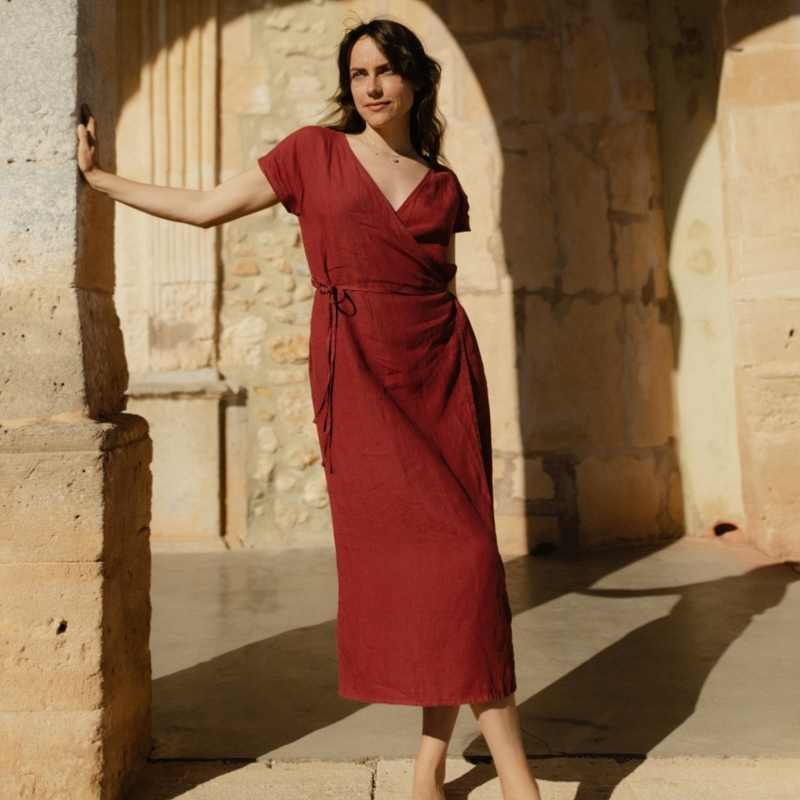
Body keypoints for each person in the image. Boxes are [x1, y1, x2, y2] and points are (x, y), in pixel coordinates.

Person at [77, 18, 542, 800]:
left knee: (465, 565)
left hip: (440, 375)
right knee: (453, 568)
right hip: (357, 375)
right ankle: (520, 787)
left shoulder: (440, 183)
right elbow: (207, 207)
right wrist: (101, 182)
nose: (372, 86)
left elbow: (440, 287)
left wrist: (453, 383)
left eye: (386, 70)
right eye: (359, 73)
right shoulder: (311, 153)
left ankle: (428, 772)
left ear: (414, 79)